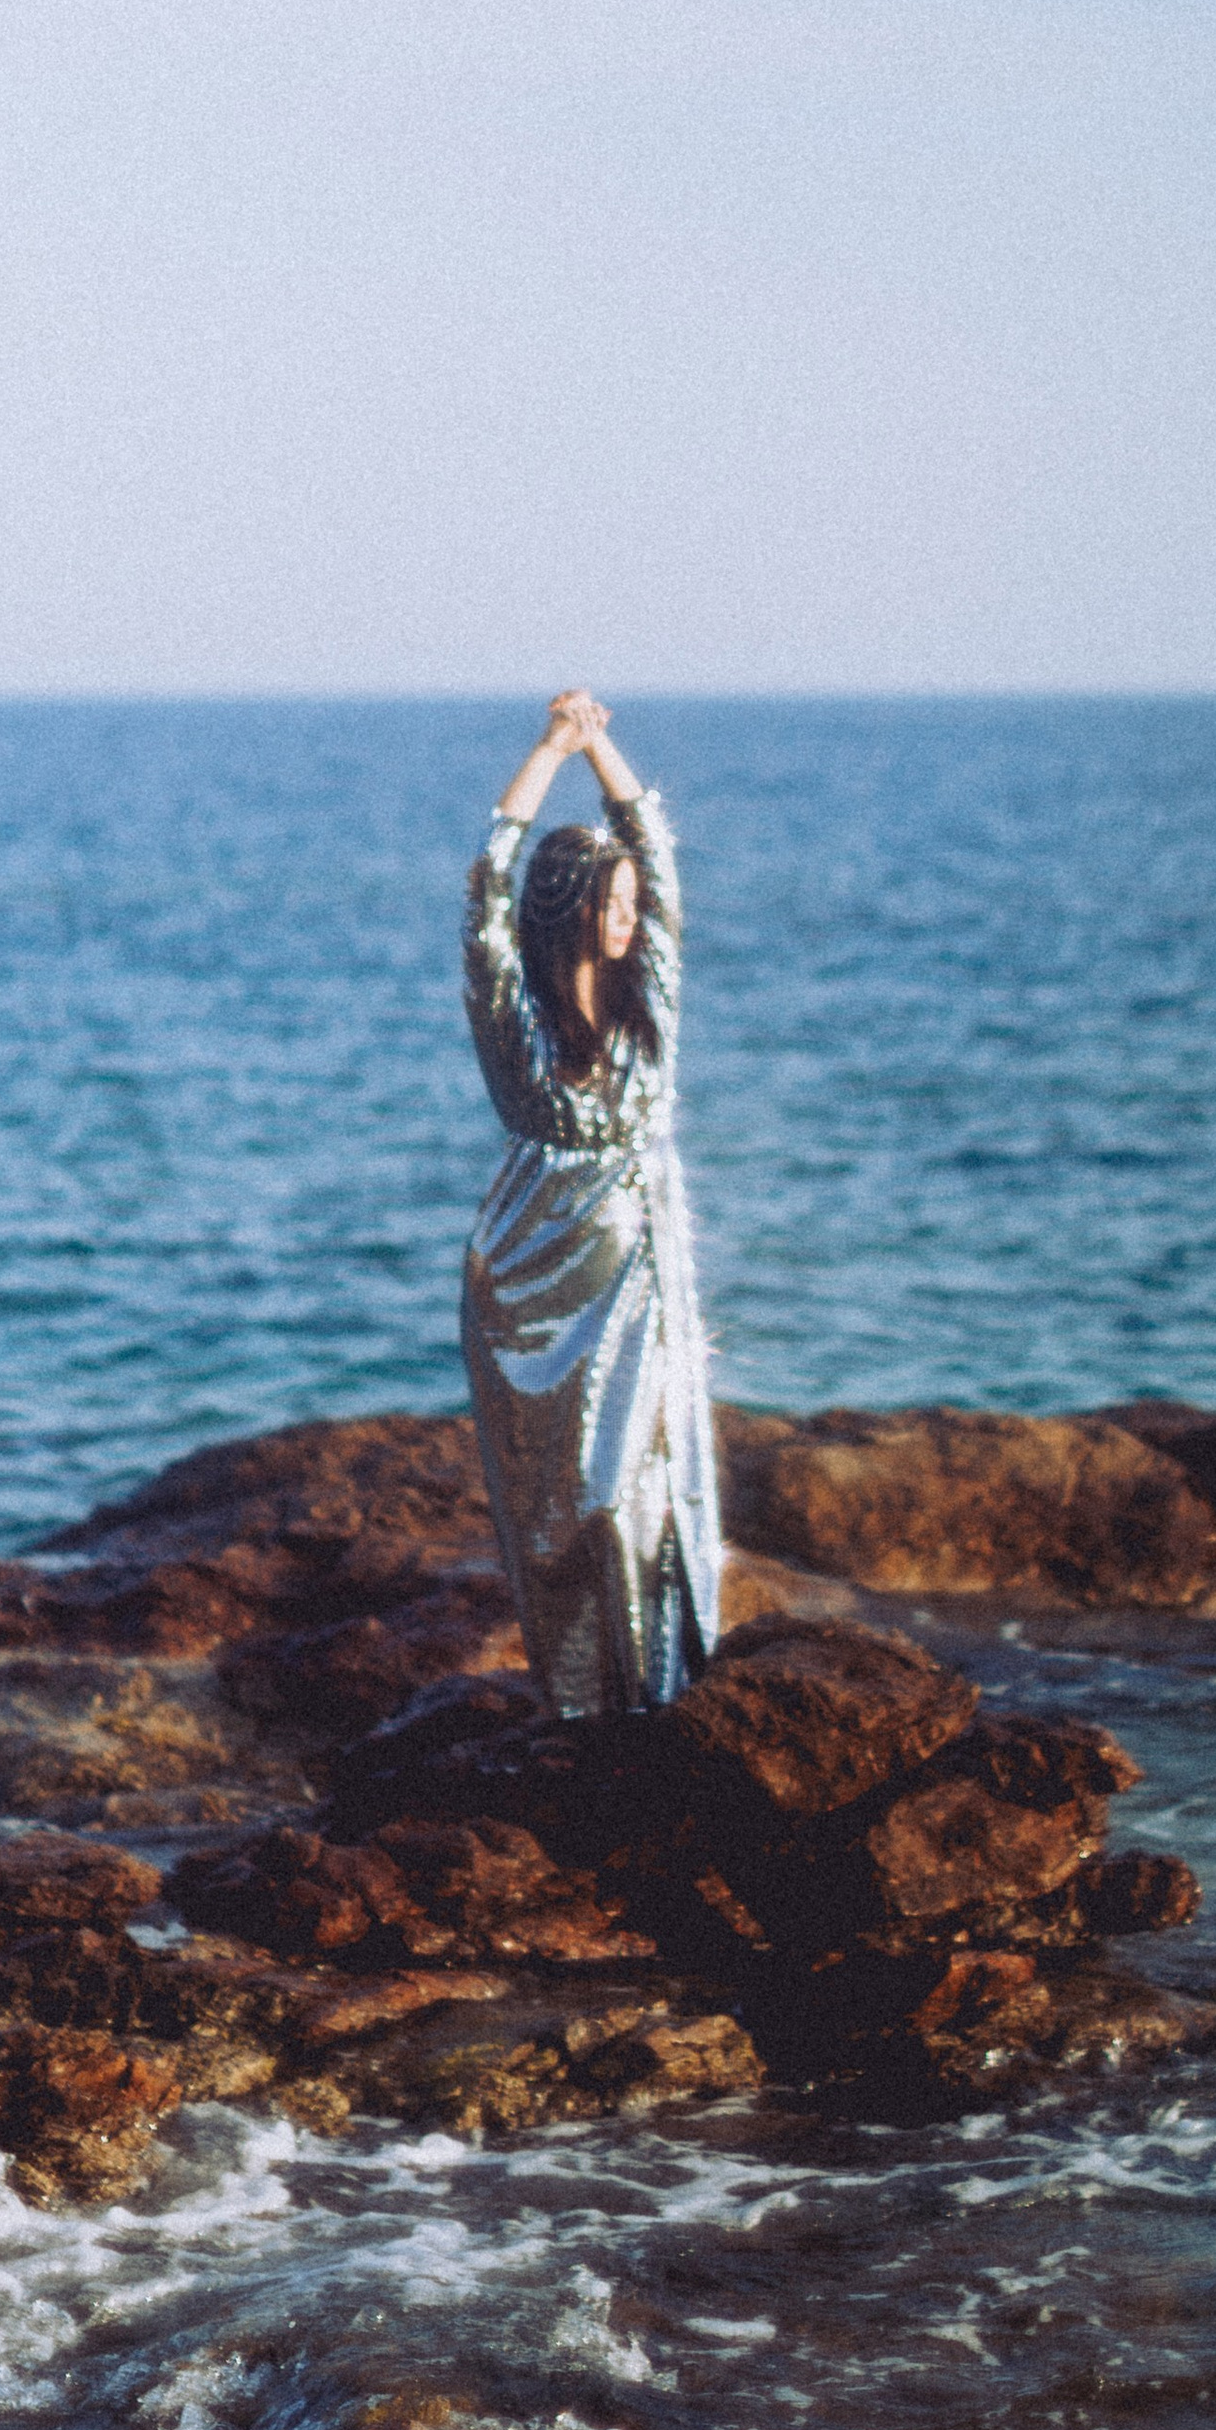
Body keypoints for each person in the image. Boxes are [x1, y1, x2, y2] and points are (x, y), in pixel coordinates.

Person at [459, 691, 722, 1714]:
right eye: (606, 905)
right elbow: (484, 888)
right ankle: (585, 1705)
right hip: (529, 1277)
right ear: (568, 908)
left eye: (626, 905)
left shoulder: (646, 1000)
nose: (624, 919)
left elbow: (656, 859)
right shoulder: (511, 1014)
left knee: (642, 1490)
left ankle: (662, 1688)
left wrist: (600, 745)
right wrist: (544, 752)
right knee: (560, 1505)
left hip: (642, 1273)